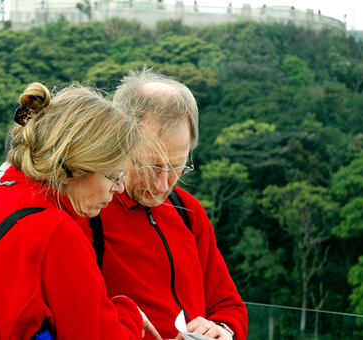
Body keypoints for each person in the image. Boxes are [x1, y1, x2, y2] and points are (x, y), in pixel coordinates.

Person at [0, 82, 161, 340]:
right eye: (114, 177)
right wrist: (129, 312)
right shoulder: (55, 232)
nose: (118, 189)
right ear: (76, 167)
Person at [78, 69, 249, 340]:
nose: (161, 185)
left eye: (177, 169)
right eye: (152, 167)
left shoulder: (188, 211)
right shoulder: (87, 210)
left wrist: (222, 330)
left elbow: (229, 306)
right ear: (119, 142)